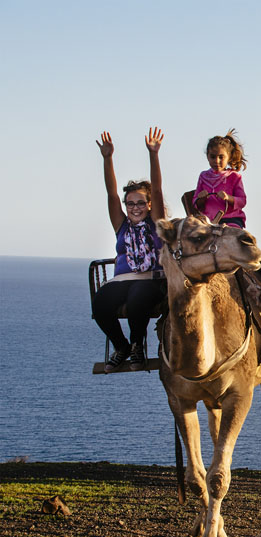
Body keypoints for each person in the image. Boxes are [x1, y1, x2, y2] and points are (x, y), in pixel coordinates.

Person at [92, 129, 167, 373]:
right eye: (130, 203)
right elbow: (111, 193)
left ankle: (137, 345)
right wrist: (107, 158)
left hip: (150, 279)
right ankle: (122, 346)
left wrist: (153, 155)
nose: (135, 208)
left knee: (138, 301)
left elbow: (156, 190)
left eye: (140, 203)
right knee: (101, 304)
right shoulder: (121, 224)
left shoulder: (156, 223)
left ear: (149, 205)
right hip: (124, 278)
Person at [192, 130, 247, 227]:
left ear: (228, 157)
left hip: (231, 219)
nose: (217, 161)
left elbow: (242, 201)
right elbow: (195, 202)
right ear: (207, 157)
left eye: (221, 157)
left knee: (234, 238)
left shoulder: (234, 177)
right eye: (213, 157)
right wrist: (201, 198)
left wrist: (228, 198)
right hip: (208, 221)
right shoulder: (203, 176)